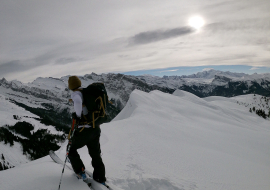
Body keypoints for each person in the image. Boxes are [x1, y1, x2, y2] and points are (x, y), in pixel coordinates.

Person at [67, 76, 106, 184]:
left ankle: (81, 172)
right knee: (95, 155)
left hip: (84, 130)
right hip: (95, 128)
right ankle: (100, 178)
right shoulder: (86, 91)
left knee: (71, 150)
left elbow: (78, 102)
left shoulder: (76, 94)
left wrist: (78, 115)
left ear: (71, 86)